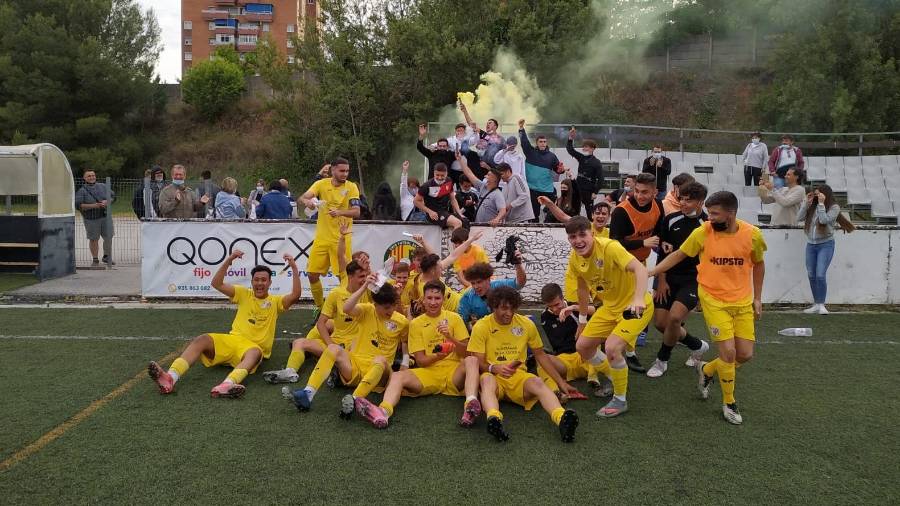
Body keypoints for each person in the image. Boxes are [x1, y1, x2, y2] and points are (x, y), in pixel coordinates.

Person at [649, 191, 766, 425]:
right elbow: (680, 254)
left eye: (714, 214)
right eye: (709, 213)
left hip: (742, 302)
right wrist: (652, 271)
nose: (709, 218)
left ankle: (708, 369)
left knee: (745, 355)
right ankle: (729, 403)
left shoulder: (752, 235)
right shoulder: (703, 232)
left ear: (731, 214)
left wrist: (758, 298)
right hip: (713, 299)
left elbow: (758, 264)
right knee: (729, 354)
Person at [148, 250, 301, 398]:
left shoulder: (275, 302)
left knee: (255, 353)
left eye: (263, 280)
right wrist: (229, 260)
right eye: (256, 279)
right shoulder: (243, 294)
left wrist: (293, 267)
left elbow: (295, 295)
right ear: (252, 281)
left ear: (269, 282)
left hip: (251, 348)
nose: (259, 283)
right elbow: (217, 283)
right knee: (202, 339)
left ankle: (227, 385)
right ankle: (171, 377)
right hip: (232, 340)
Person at [356, 280, 483, 429]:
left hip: (454, 373)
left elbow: (467, 352)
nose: (433, 302)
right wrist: (437, 356)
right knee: (397, 375)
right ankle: (383, 411)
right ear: (423, 299)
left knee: (472, 360)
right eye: (429, 298)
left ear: (443, 299)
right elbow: (421, 361)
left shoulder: (454, 318)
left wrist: (450, 337)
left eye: (437, 298)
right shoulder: (416, 324)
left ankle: (470, 405)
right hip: (429, 373)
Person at [567, 216, 654, 418]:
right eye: (573, 237)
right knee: (582, 346)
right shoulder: (575, 257)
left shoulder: (609, 247)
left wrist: (639, 298)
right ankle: (613, 376)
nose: (578, 240)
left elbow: (639, 268)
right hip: (609, 307)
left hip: (635, 306)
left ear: (592, 233)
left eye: (582, 235)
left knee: (612, 348)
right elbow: (581, 289)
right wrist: (581, 321)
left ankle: (620, 399)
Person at [469, 286, 579, 442]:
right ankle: (494, 420)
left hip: (517, 377)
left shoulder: (526, 324)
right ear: (493, 306)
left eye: (512, 308)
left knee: (537, 381)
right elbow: (478, 361)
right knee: (486, 380)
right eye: (504, 308)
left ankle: (561, 419)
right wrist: (495, 368)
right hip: (493, 377)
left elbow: (540, 355)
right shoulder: (481, 326)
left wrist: (561, 383)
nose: (509, 313)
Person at [290, 279, 409, 414]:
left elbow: (405, 341)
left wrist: (405, 362)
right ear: (375, 305)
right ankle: (308, 394)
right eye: (386, 307)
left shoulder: (402, 321)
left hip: (380, 373)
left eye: (393, 305)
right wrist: (364, 286)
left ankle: (354, 400)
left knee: (380, 359)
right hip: (355, 367)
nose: (391, 310)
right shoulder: (367, 310)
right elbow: (346, 308)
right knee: (333, 348)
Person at [262, 260, 369, 384]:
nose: (365, 280)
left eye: (366, 276)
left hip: (357, 346)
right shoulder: (336, 294)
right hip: (338, 343)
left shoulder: (370, 291)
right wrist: (330, 344)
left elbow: (384, 292)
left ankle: (338, 372)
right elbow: (320, 323)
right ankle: (290, 372)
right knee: (299, 342)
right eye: (361, 276)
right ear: (350, 277)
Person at [647, 181, 711, 379]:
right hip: (668, 277)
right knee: (661, 324)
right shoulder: (671, 219)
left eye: (688, 200)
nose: (683, 203)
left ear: (700, 202)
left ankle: (662, 360)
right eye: (681, 198)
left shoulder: (708, 226)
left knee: (675, 318)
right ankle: (697, 345)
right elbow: (663, 253)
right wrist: (662, 280)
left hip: (692, 280)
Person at [609, 172, 665, 357]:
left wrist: (662, 241)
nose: (640, 196)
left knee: (639, 302)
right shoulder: (621, 211)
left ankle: (631, 344)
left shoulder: (657, 206)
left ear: (655, 192)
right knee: (621, 305)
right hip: (620, 266)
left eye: (645, 192)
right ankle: (617, 343)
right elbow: (614, 244)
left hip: (639, 264)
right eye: (637, 191)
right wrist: (642, 243)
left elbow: (658, 232)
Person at [299, 157, 361, 307]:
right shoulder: (321, 184)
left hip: (341, 239)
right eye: (341, 171)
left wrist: (340, 212)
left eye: (347, 171)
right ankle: (320, 308)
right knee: (312, 274)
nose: (345, 174)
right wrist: (308, 202)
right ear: (333, 170)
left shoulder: (351, 187)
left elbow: (356, 212)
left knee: (344, 277)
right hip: (322, 239)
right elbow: (303, 197)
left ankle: (345, 307)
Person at [538, 283, 603, 398]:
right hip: (564, 361)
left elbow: (601, 311)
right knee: (541, 360)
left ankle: (593, 377)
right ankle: (556, 392)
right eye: (550, 306)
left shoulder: (576, 308)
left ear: (563, 298)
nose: (554, 309)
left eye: (557, 304)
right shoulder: (545, 317)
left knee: (595, 338)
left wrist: (574, 308)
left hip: (584, 357)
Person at [797, 184, 854, 315]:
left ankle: (821, 304)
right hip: (811, 245)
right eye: (816, 194)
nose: (817, 197)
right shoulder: (812, 206)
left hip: (826, 245)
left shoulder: (834, 207)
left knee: (820, 274)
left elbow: (823, 220)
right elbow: (798, 218)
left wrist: (821, 205)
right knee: (811, 274)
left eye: (819, 194)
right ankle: (816, 304)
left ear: (825, 194)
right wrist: (806, 204)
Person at [457, 259, 526, 328]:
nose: (476, 287)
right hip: (485, 330)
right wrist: (471, 326)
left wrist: (518, 264)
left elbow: (519, 283)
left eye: (479, 282)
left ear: (489, 279)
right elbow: (460, 321)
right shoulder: (468, 297)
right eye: (473, 283)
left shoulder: (500, 285)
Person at [519, 119, 561, 221]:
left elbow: (558, 169)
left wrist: (561, 170)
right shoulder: (530, 152)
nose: (543, 143)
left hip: (547, 189)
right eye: (540, 142)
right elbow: (524, 142)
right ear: (537, 143)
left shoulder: (552, 156)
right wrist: (521, 129)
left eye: (544, 142)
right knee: (533, 214)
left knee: (553, 210)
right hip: (532, 188)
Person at [74, 170, 115, 265]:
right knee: (93, 239)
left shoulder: (103, 186)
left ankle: (106, 256)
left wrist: (107, 202)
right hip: (91, 219)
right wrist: (95, 205)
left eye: (93, 175)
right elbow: (79, 206)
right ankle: (95, 259)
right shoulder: (82, 191)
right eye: (89, 176)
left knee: (109, 236)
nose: (91, 177)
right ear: (84, 178)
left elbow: (113, 197)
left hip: (106, 216)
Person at [457, 152, 506, 225]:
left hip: (489, 228)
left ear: (494, 179)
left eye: (488, 175)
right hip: (478, 225)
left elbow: (503, 210)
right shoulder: (482, 186)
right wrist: (460, 160)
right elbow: (469, 173)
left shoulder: (497, 194)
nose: (485, 176)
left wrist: (497, 219)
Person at [414, 163, 466, 230]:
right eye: (437, 175)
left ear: (446, 173)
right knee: (457, 223)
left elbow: (453, 199)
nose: (440, 177)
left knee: (465, 222)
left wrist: (459, 213)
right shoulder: (426, 185)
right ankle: (456, 240)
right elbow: (415, 201)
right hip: (434, 214)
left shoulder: (449, 181)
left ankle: (454, 239)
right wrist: (429, 211)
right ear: (434, 173)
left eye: (442, 175)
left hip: (445, 212)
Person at [566, 127, 604, 216]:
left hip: (589, 190)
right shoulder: (581, 157)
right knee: (574, 210)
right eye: (583, 147)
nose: (584, 148)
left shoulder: (596, 162)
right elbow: (570, 150)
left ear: (592, 149)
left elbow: (601, 179)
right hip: (578, 188)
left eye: (586, 147)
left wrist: (595, 192)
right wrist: (570, 138)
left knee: (589, 212)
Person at [460, 102, 505, 168]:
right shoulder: (484, 135)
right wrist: (465, 111)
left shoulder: (500, 139)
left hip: (494, 168)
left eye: (490, 123)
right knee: (465, 148)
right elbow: (471, 124)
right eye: (487, 123)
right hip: (481, 165)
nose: (487, 124)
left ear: (495, 126)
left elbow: (505, 152)